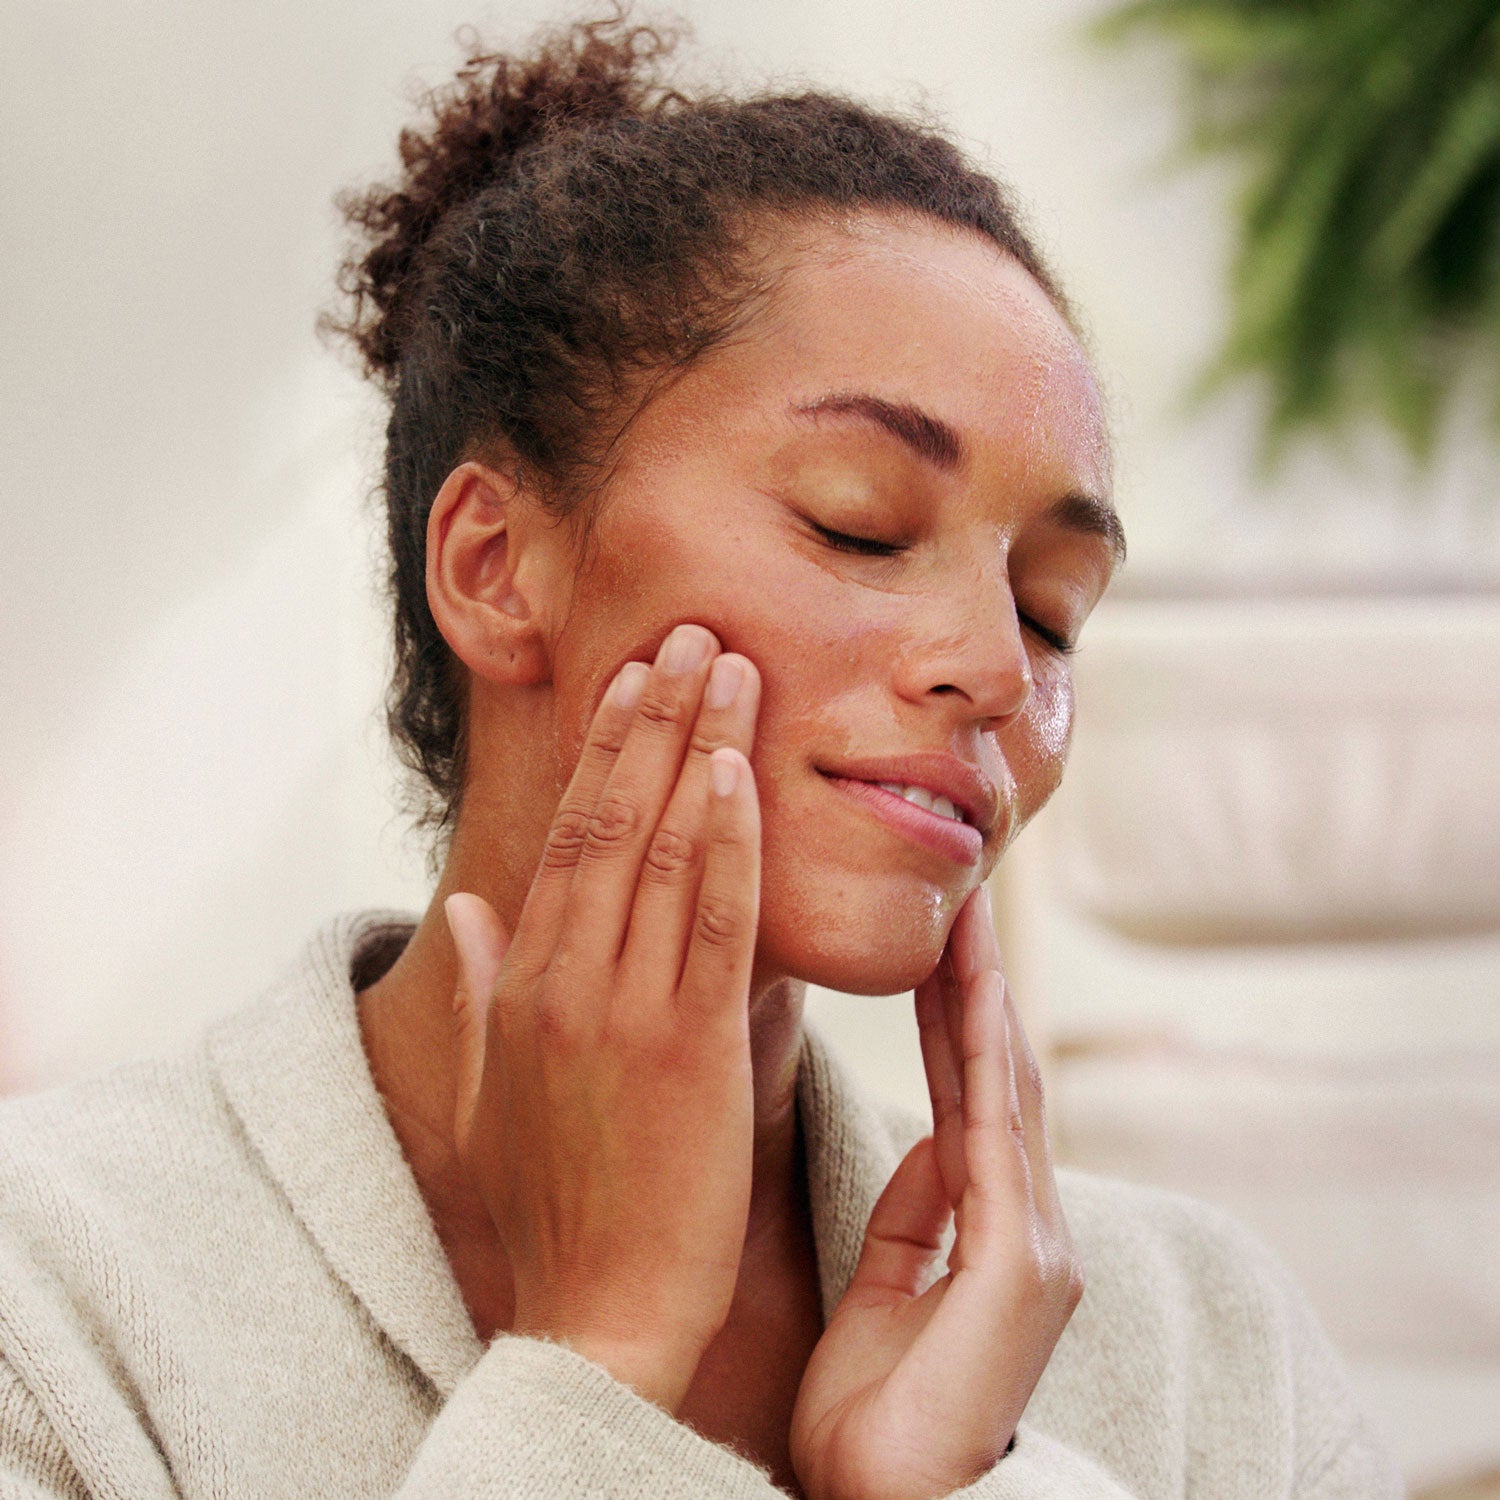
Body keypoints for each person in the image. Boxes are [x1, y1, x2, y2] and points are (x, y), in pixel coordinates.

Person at [0, 14, 1401, 1499]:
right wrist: (592, 1370)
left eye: (1052, 612)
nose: (999, 671)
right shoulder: (53, 1303)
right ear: (493, 566)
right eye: (860, 524)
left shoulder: (1204, 1342)